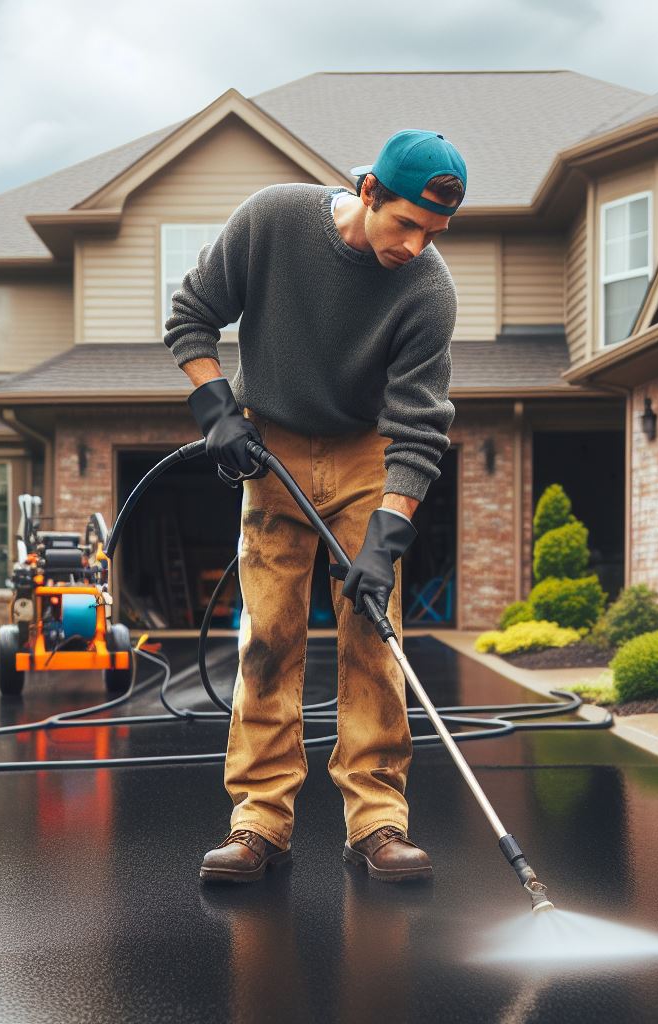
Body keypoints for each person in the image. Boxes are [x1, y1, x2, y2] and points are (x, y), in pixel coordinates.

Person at [164, 129, 467, 883]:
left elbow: (419, 425)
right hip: (271, 445)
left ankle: (378, 822)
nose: (417, 244)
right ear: (368, 193)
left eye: (434, 233)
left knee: (374, 635)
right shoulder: (273, 221)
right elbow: (191, 316)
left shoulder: (428, 290)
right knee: (270, 634)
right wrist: (216, 408)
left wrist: (386, 537)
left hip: (368, 453)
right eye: (406, 223)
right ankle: (258, 823)